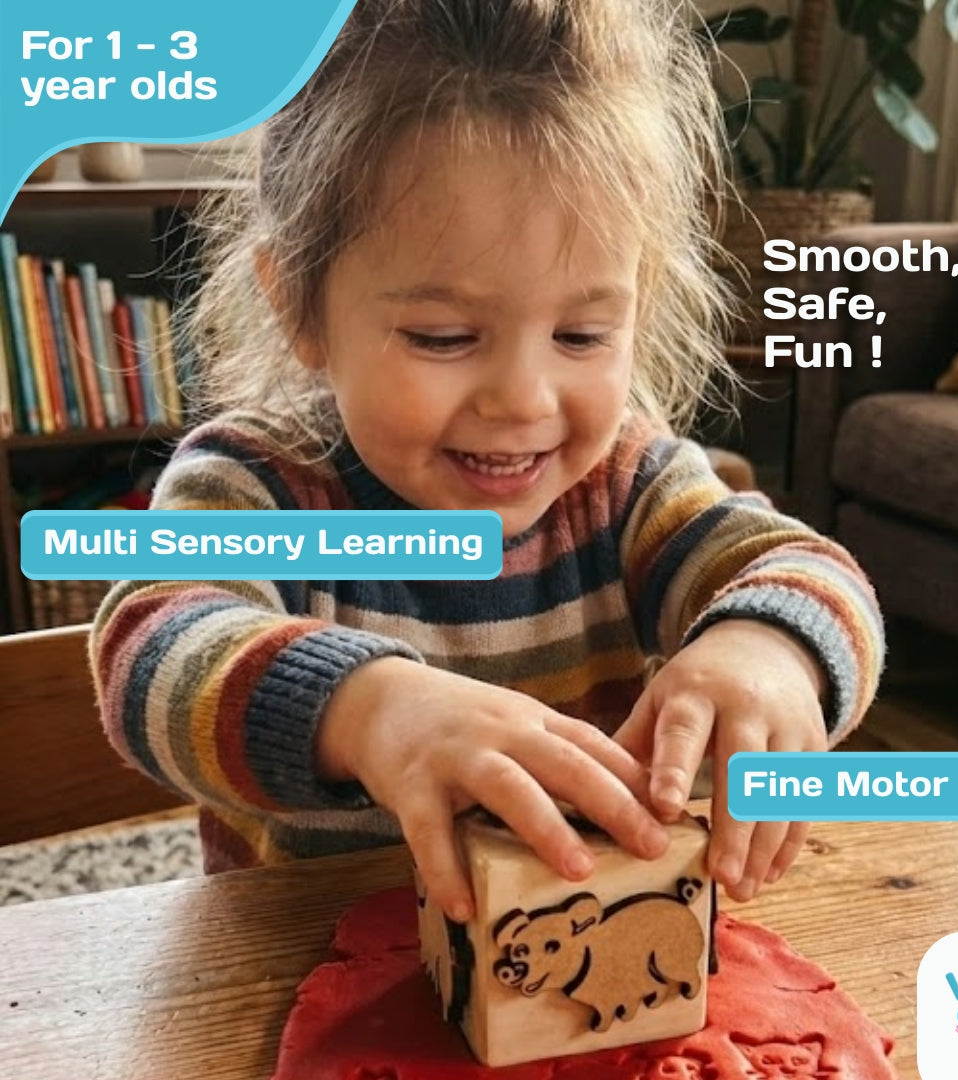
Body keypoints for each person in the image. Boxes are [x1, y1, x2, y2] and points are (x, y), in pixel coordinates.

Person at [90, 0, 884, 924]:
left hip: (581, 964)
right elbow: (148, 648)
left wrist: (771, 651)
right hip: (296, 980)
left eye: (583, 333)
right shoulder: (256, 482)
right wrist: (367, 709)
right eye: (443, 336)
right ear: (299, 306)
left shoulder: (624, 483)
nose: (524, 400)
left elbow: (809, 573)